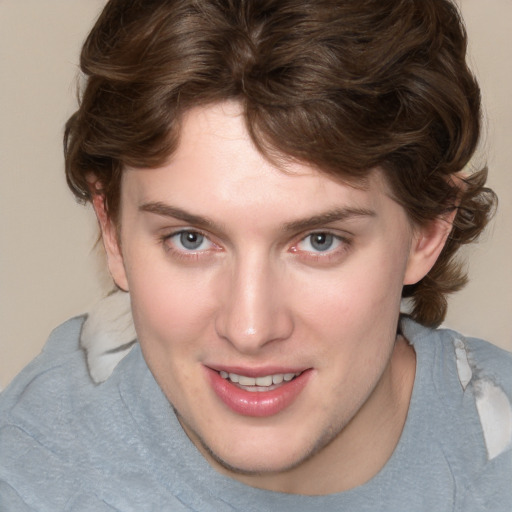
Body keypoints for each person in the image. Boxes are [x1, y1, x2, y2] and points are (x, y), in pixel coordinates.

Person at [1, 0, 511, 509]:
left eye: (320, 241)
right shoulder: (29, 477)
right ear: (111, 230)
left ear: (427, 229)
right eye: (190, 239)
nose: (250, 330)